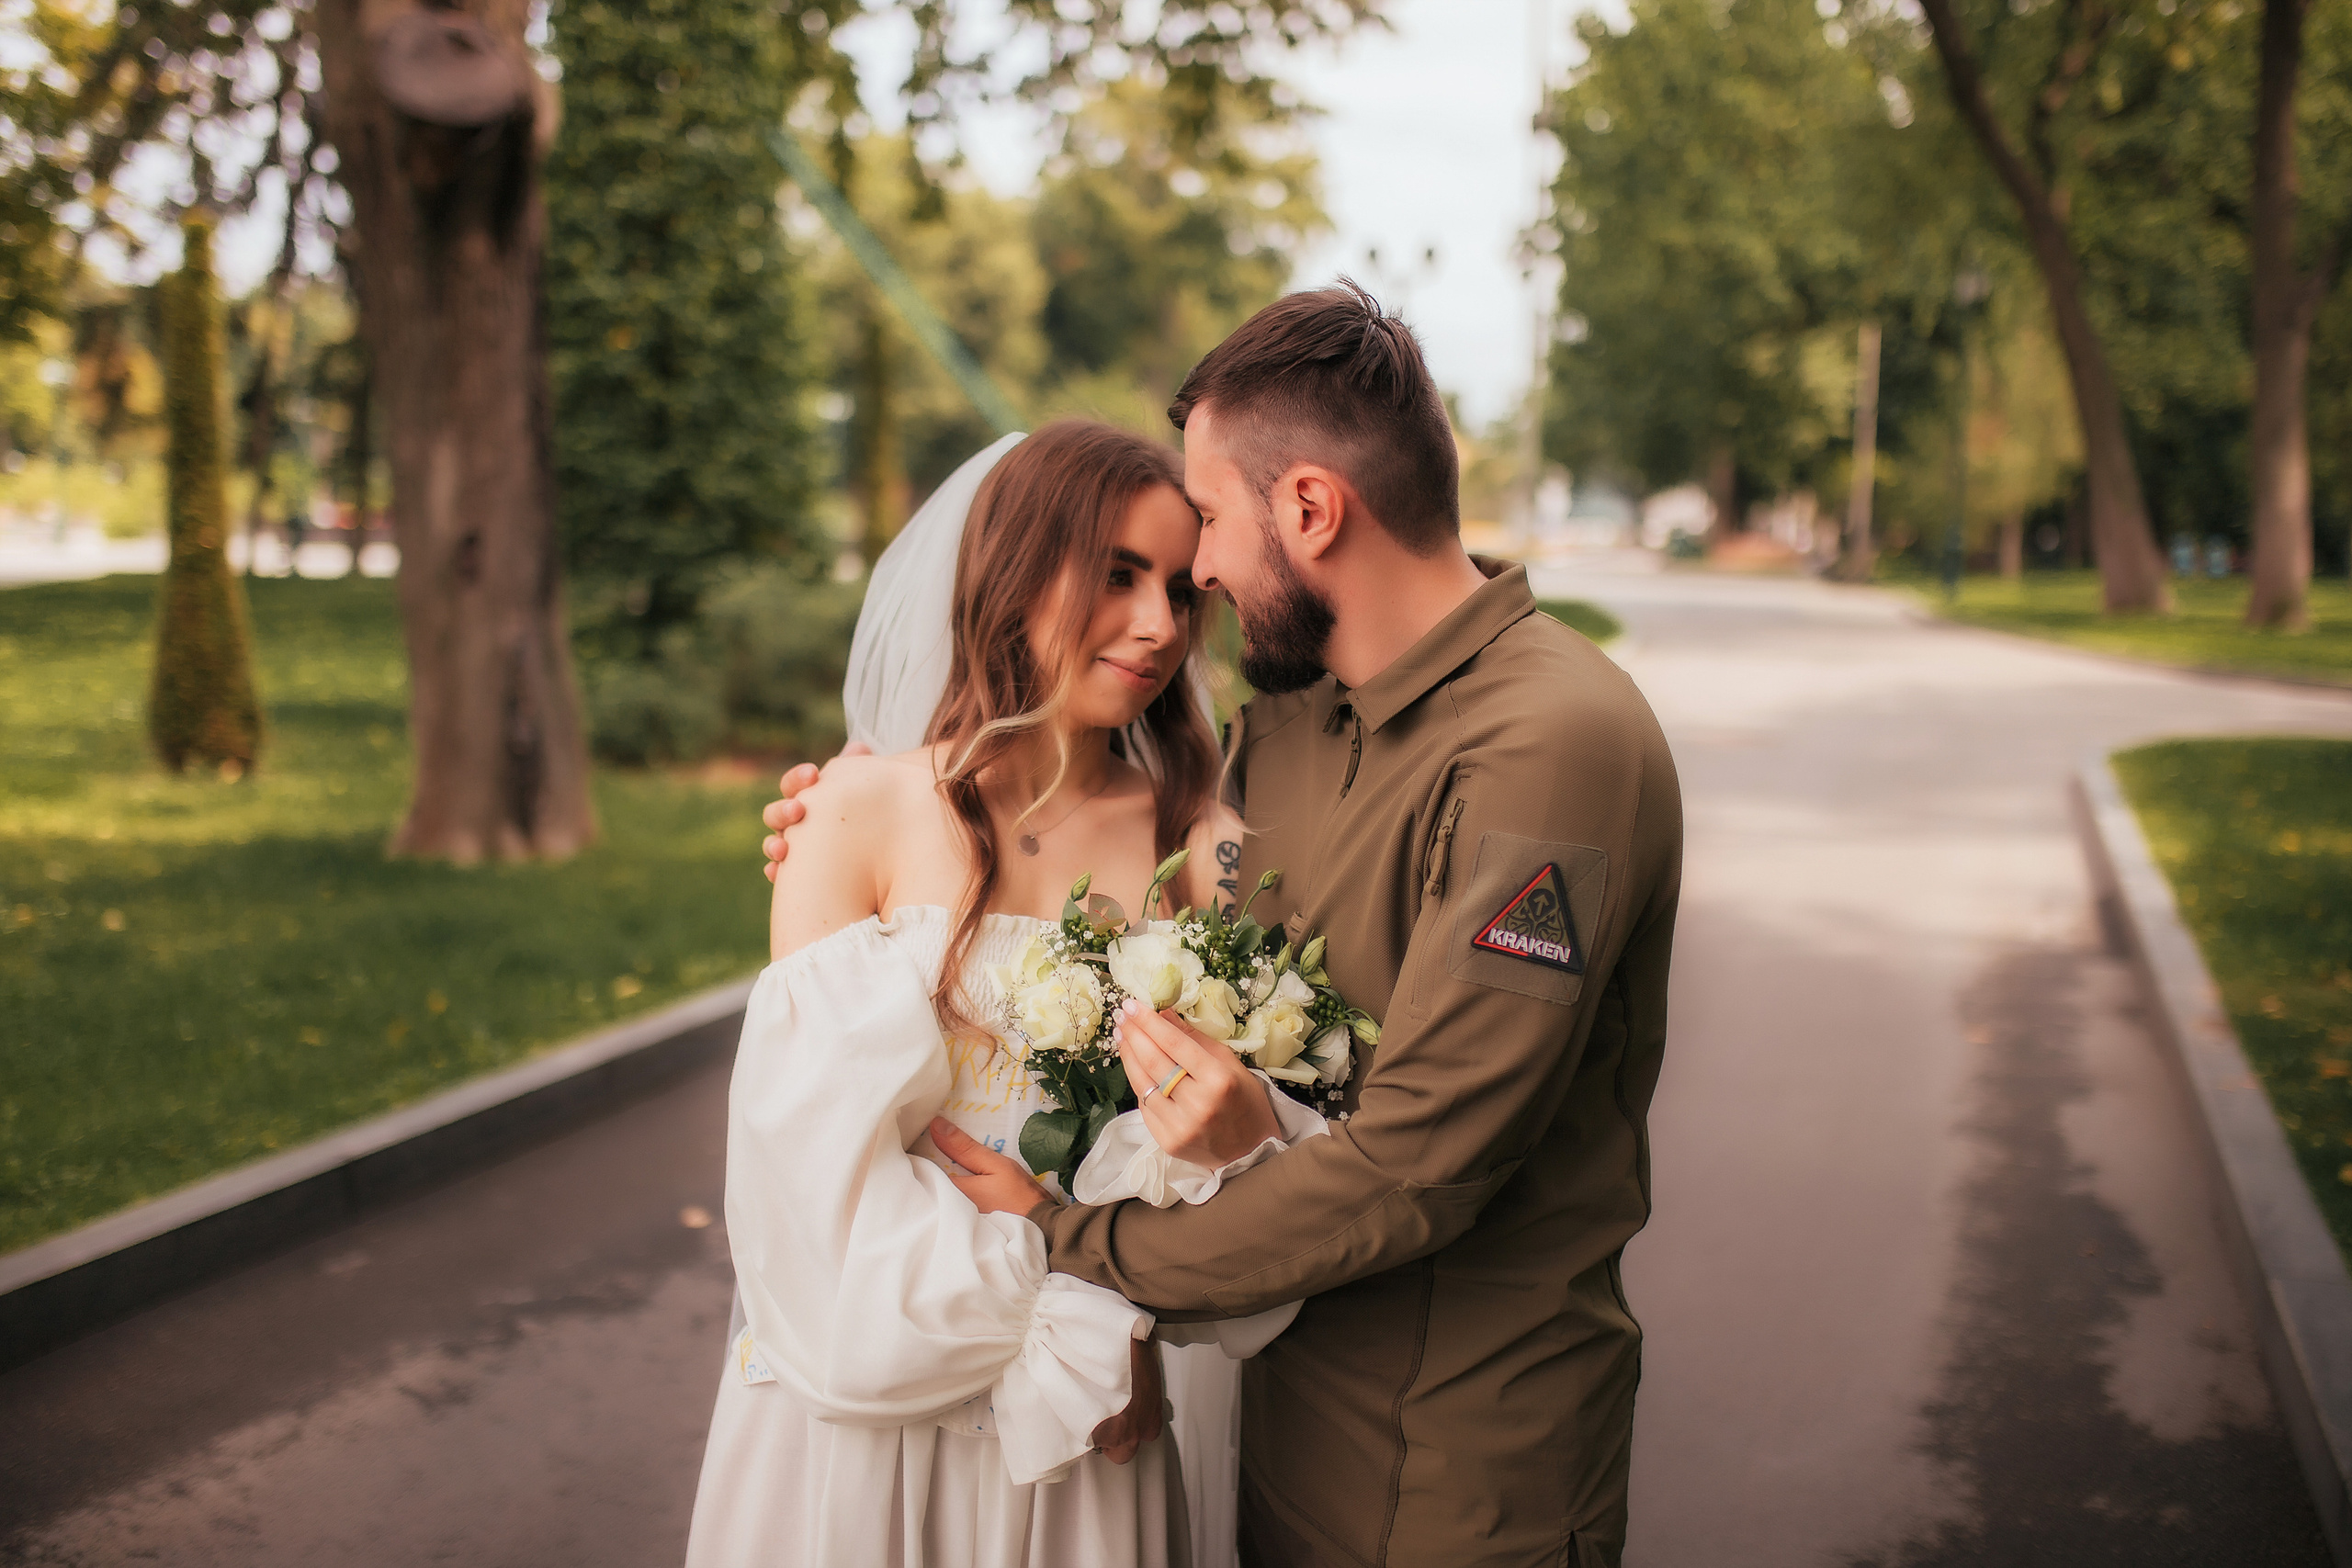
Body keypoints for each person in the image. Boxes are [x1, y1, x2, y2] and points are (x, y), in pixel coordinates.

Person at [764, 282, 1684, 1568]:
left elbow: (1422, 1161)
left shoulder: (1553, 740)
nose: (1192, 576)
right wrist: (866, 817)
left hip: (1467, 1459)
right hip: (1273, 1410)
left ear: (1308, 507)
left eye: (1202, 522)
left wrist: (1074, 1251)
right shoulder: (1288, 729)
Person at [689, 419, 1280, 1568]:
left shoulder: (1204, 851)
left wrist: (1228, 1162)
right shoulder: (855, 817)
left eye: (1174, 587)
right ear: (1011, 570)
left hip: (1094, 1434)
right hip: (875, 1406)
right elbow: (815, 1191)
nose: (1158, 625)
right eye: (1115, 573)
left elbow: (1231, 1186)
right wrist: (1076, 1330)